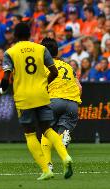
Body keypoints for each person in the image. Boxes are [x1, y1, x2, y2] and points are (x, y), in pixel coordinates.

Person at [0, 23, 73, 180]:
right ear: (30, 34)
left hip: (24, 96)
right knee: (47, 129)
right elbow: (54, 71)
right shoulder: (41, 49)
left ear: (15, 35)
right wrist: (44, 84)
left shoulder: (10, 52)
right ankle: (65, 156)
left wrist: (2, 90)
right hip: (42, 94)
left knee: (30, 134)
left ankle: (46, 170)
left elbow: (6, 78)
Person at [40, 37, 82, 172]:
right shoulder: (68, 66)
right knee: (60, 133)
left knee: (45, 131)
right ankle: (64, 137)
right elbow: (79, 87)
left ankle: (48, 165)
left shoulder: (44, 66)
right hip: (72, 104)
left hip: (54, 101)